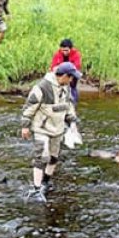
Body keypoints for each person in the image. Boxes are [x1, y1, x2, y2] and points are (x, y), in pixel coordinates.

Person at [21, 62, 81, 202]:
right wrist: (25, 126)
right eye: (71, 77)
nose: (72, 80)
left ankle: (45, 183)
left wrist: (72, 122)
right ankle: (36, 190)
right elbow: (29, 107)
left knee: (54, 157)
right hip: (41, 128)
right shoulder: (42, 87)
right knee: (41, 156)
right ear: (65, 76)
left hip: (58, 129)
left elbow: (69, 107)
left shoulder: (66, 88)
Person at [50, 38, 82, 105]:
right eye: (63, 50)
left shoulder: (76, 54)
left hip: (72, 75)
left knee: (72, 89)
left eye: (66, 50)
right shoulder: (57, 54)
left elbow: (77, 66)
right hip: (61, 76)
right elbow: (53, 67)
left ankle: (73, 104)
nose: (64, 52)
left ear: (71, 48)